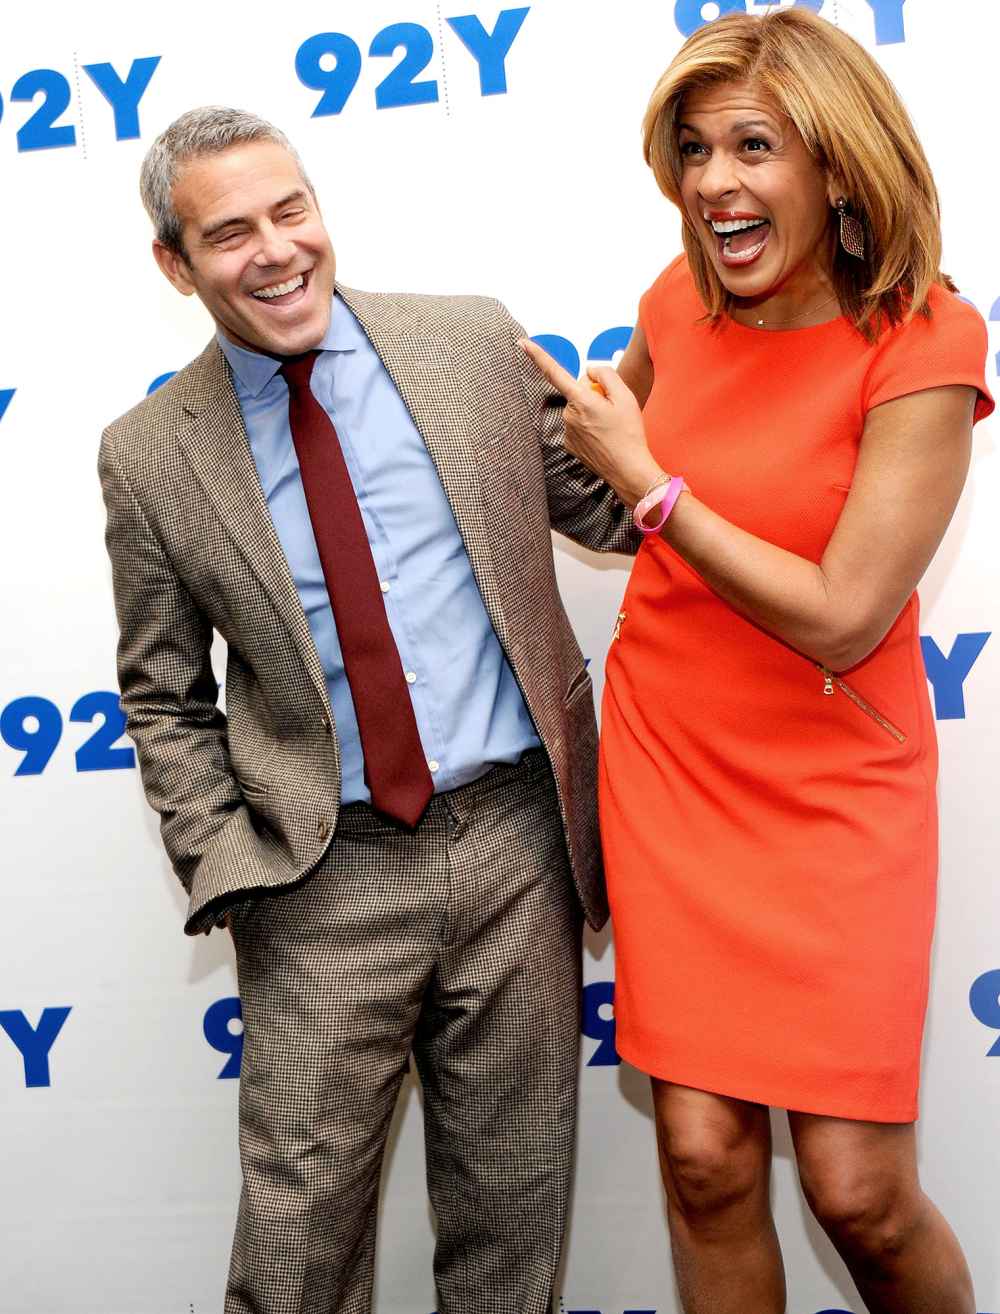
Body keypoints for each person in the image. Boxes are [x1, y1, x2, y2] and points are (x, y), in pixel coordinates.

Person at [98, 105, 636, 1314]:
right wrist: (234, 866)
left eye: (292, 211)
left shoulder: (469, 343)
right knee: (296, 1253)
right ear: (174, 266)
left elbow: (613, 507)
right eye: (229, 233)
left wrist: (741, 348)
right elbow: (163, 692)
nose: (276, 250)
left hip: (517, 844)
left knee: (511, 1227)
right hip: (321, 875)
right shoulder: (147, 454)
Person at [521, 10, 993, 1314]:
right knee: (706, 1159)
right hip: (677, 767)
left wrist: (651, 483)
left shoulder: (926, 342)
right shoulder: (675, 302)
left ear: (839, 166)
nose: (712, 180)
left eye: (752, 146)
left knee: (860, 1193)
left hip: (838, 784)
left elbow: (845, 610)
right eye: (693, 147)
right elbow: (612, 479)